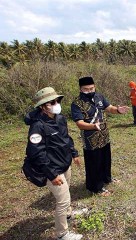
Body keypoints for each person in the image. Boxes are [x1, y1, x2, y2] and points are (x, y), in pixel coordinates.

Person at [24, 87, 83, 240]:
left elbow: (66, 139)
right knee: (63, 201)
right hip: (53, 169)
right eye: (52, 102)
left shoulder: (60, 118)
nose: (56, 104)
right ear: (43, 107)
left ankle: (68, 214)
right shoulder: (37, 126)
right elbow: (36, 153)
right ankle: (62, 234)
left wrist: (74, 153)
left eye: (57, 101)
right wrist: (51, 174)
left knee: (67, 193)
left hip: (65, 164)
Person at [71, 77, 129, 196]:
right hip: (90, 139)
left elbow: (109, 108)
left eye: (91, 88)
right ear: (80, 89)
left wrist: (118, 110)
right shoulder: (77, 103)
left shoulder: (99, 97)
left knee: (105, 159)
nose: (89, 91)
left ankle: (107, 179)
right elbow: (79, 123)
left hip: (104, 136)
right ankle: (95, 187)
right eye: (86, 89)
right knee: (94, 163)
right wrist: (93, 126)